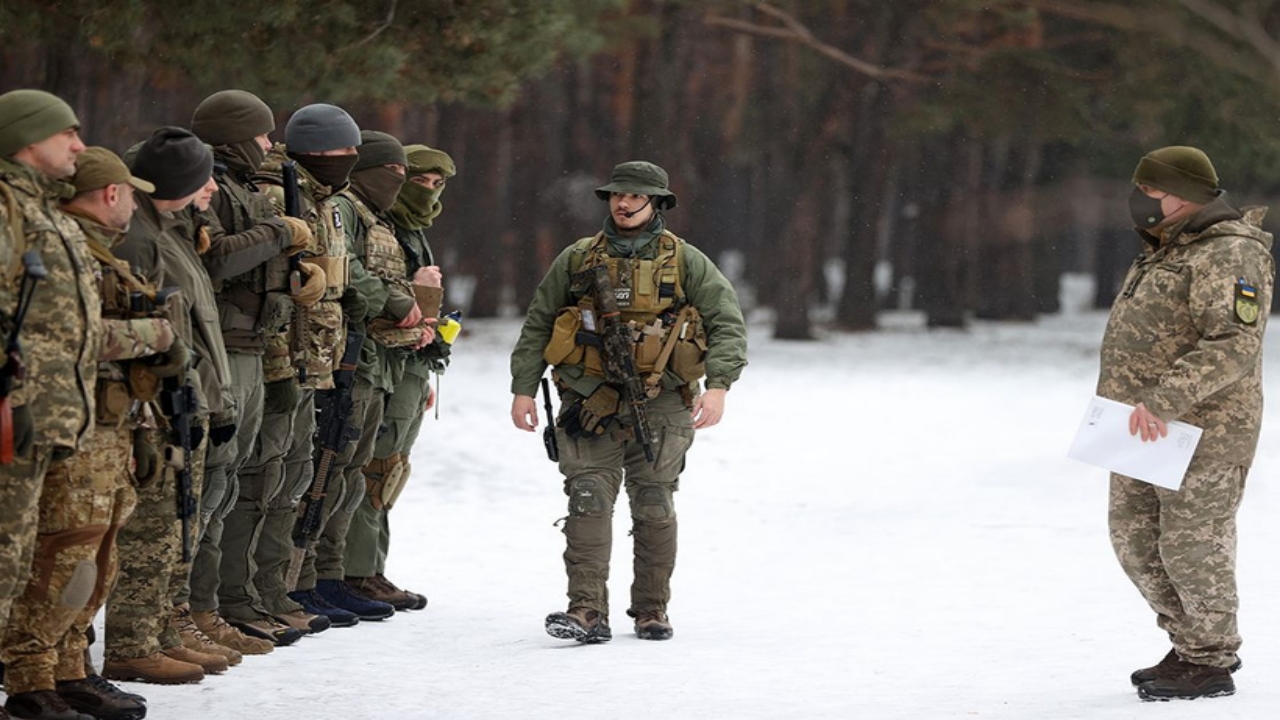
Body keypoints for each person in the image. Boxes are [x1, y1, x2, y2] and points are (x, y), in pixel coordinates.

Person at [509, 161, 747, 643]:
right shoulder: (578, 258)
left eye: (634, 196)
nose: (622, 203)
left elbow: (727, 322)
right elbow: (539, 322)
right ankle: (586, 610)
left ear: (656, 202)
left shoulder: (685, 261)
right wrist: (523, 387)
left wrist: (719, 384)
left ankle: (651, 609)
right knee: (588, 499)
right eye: (616, 195)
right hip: (588, 400)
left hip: (663, 402)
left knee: (655, 504)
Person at [1, 147, 181, 720]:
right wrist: (152, 335)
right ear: (110, 192)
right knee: (63, 553)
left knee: (97, 555)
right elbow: (66, 334)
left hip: (111, 420)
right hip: (75, 422)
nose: (133, 201)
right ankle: (32, 674)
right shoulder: (60, 243)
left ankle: (71, 665)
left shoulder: (91, 248)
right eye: (129, 191)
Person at [1101, 146, 1274, 701]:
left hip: (1204, 429)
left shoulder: (1228, 253)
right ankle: (1190, 641)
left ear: (1182, 194)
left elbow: (1233, 343)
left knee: (1190, 545)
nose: (1140, 200)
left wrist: (1165, 398)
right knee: (1135, 541)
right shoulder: (1167, 248)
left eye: (1149, 190)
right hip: (1140, 426)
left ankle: (1209, 659)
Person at [184, 89, 319, 650]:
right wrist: (280, 233)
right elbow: (216, 260)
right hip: (224, 346)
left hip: (255, 344)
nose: (268, 145)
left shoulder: (239, 186)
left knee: (237, 479)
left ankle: (218, 605)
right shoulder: (209, 187)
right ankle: (201, 607)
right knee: (217, 481)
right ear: (237, 135)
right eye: (261, 134)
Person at [103, 127, 233, 684]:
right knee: (151, 525)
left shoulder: (172, 233)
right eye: (202, 178)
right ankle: (132, 642)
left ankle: (158, 631)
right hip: (152, 402)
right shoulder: (139, 238)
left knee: (174, 520)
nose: (212, 187)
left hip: (183, 394)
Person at [289, 130, 432, 623]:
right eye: (392, 171)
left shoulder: (377, 218)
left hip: (375, 361)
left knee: (352, 475)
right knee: (327, 470)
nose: (401, 181)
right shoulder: (344, 210)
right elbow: (343, 270)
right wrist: (396, 302)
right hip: (347, 357)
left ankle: (330, 577)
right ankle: (308, 579)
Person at [0, 89, 101, 720]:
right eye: (67, 134)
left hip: (49, 420)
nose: (80, 147)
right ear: (27, 139)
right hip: (12, 419)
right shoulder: (7, 208)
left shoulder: (45, 210)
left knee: (20, 560)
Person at [246, 103, 362, 631]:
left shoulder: (329, 201)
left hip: (316, 358)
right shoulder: (276, 194)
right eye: (342, 150)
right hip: (280, 357)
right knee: (265, 478)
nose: (351, 158)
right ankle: (247, 594)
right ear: (314, 149)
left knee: (295, 477)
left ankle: (277, 591)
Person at [343, 144, 455, 611]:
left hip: (408, 362)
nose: (427, 192)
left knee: (391, 468)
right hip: (375, 360)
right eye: (418, 181)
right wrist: (420, 294)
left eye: (436, 185)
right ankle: (355, 571)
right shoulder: (376, 223)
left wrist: (426, 367)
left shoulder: (411, 229)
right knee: (373, 464)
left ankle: (371, 567)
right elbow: (377, 291)